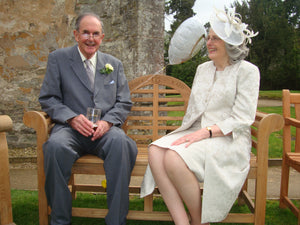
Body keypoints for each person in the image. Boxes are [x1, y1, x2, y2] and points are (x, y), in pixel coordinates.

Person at [140, 8, 259, 225]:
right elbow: (196, 110)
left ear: (229, 43)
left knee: (173, 159)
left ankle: (198, 220)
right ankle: (181, 221)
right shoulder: (203, 69)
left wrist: (207, 132)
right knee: (156, 150)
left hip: (229, 139)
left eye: (216, 39)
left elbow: (242, 117)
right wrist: (190, 133)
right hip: (197, 131)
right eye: (209, 37)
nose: (209, 42)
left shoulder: (247, 71)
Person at [39, 12, 138, 225]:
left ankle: (116, 220)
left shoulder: (114, 64)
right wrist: (72, 118)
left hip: (105, 131)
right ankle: (60, 219)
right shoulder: (58, 59)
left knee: (121, 143)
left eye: (95, 34)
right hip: (69, 130)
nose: (90, 38)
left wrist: (108, 122)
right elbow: (48, 98)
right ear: (76, 35)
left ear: (102, 37)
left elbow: (124, 102)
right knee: (54, 146)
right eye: (85, 33)